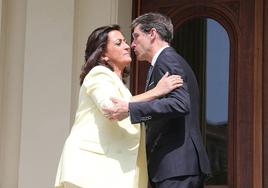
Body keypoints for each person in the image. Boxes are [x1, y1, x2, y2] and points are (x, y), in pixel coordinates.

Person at [55, 24, 183, 188]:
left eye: (125, 41)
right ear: (103, 55)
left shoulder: (120, 87)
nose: (127, 46)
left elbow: (125, 106)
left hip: (113, 172)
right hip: (91, 170)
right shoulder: (98, 74)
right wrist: (157, 91)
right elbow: (111, 108)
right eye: (118, 43)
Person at [103, 13, 211, 188]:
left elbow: (180, 104)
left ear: (152, 34)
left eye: (136, 36)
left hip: (176, 167)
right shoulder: (162, 62)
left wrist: (131, 110)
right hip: (173, 167)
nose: (132, 44)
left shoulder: (166, 59)